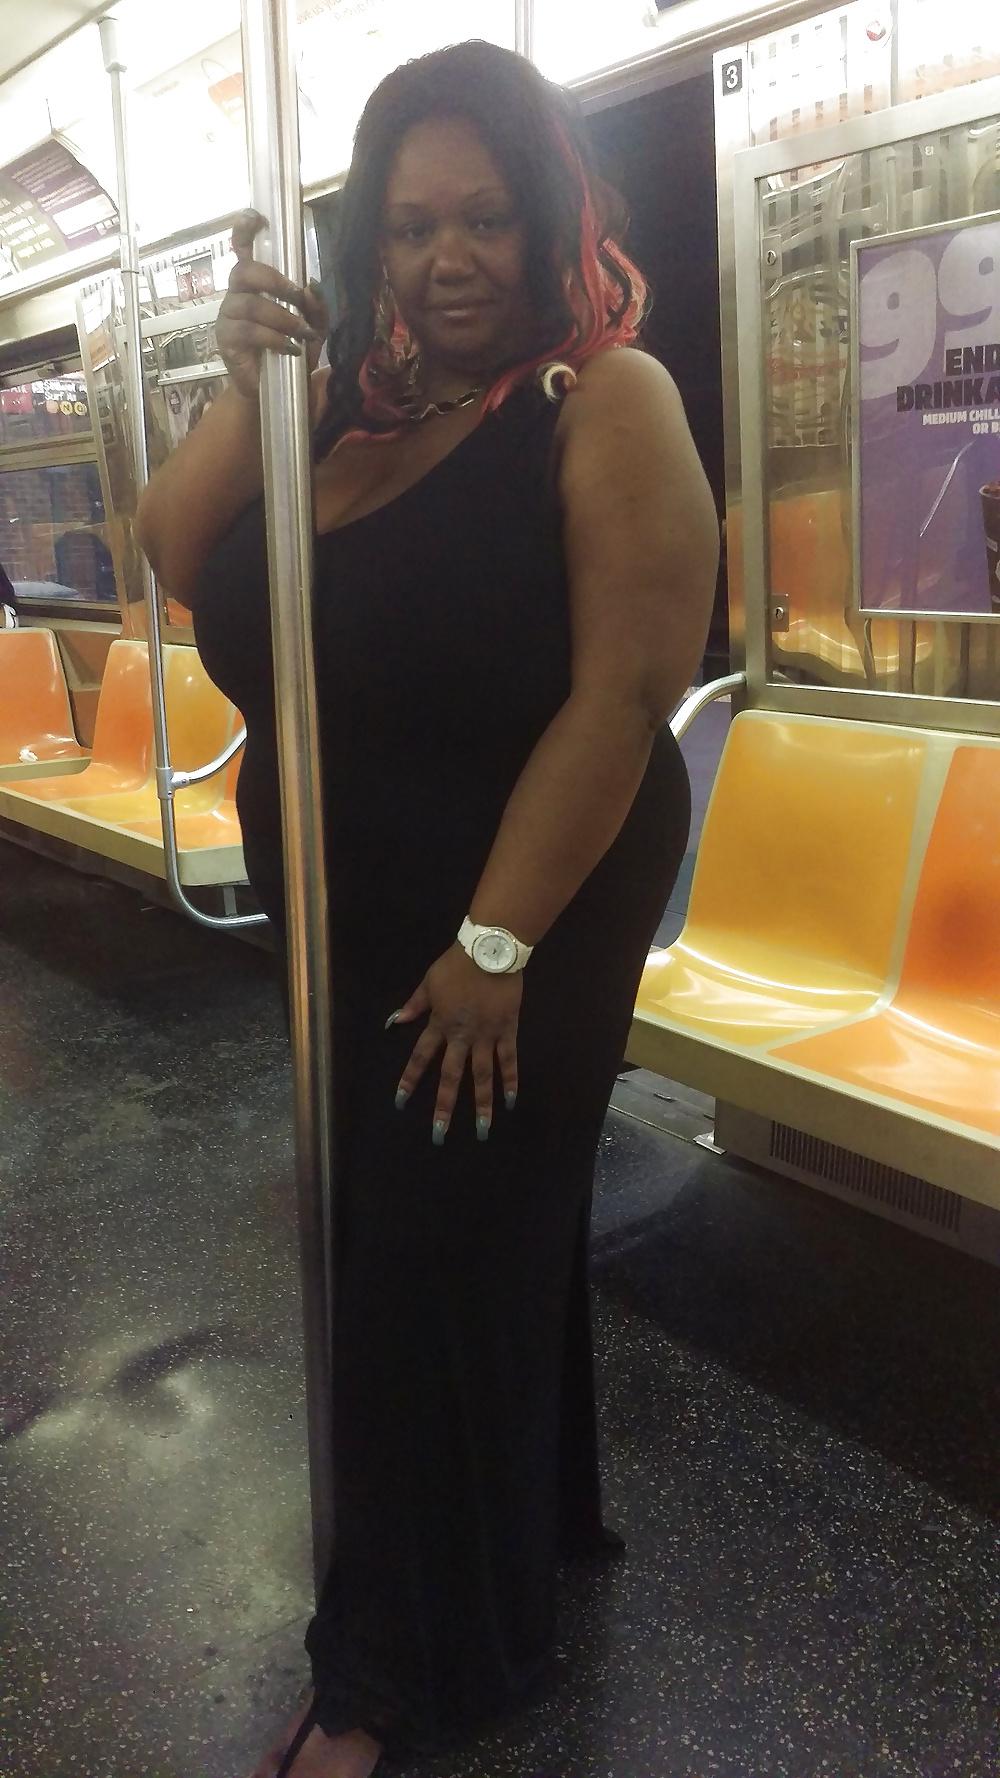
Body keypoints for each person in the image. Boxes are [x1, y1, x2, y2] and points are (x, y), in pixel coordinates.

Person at [134, 40, 717, 1778]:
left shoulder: (607, 400)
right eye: (408, 228)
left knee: (414, 1259)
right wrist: (253, 378)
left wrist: (494, 945)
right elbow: (176, 545)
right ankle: (521, 1528)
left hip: (523, 902)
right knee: (458, 1236)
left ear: (549, 218)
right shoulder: (350, 413)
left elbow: (621, 696)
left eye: (483, 219)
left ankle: (384, 1673)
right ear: (367, 247)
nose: (446, 259)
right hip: (362, 903)